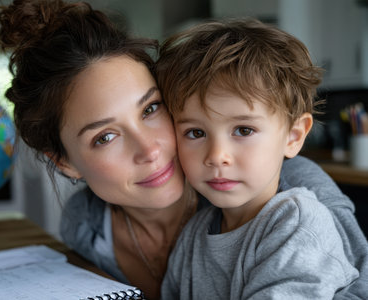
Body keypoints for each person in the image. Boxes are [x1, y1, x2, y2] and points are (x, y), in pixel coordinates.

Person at [0, 1, 367, 299]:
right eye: (105, 136)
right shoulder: (87, 225)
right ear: (65, 162)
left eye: (151, 109)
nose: (150, 149)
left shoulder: (290, 189)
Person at [156, 18, 366, 299]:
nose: (217, 157)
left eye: (244, 130)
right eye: (195, 132)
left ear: (293, 137)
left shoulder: (297, 224)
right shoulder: (194, 233)